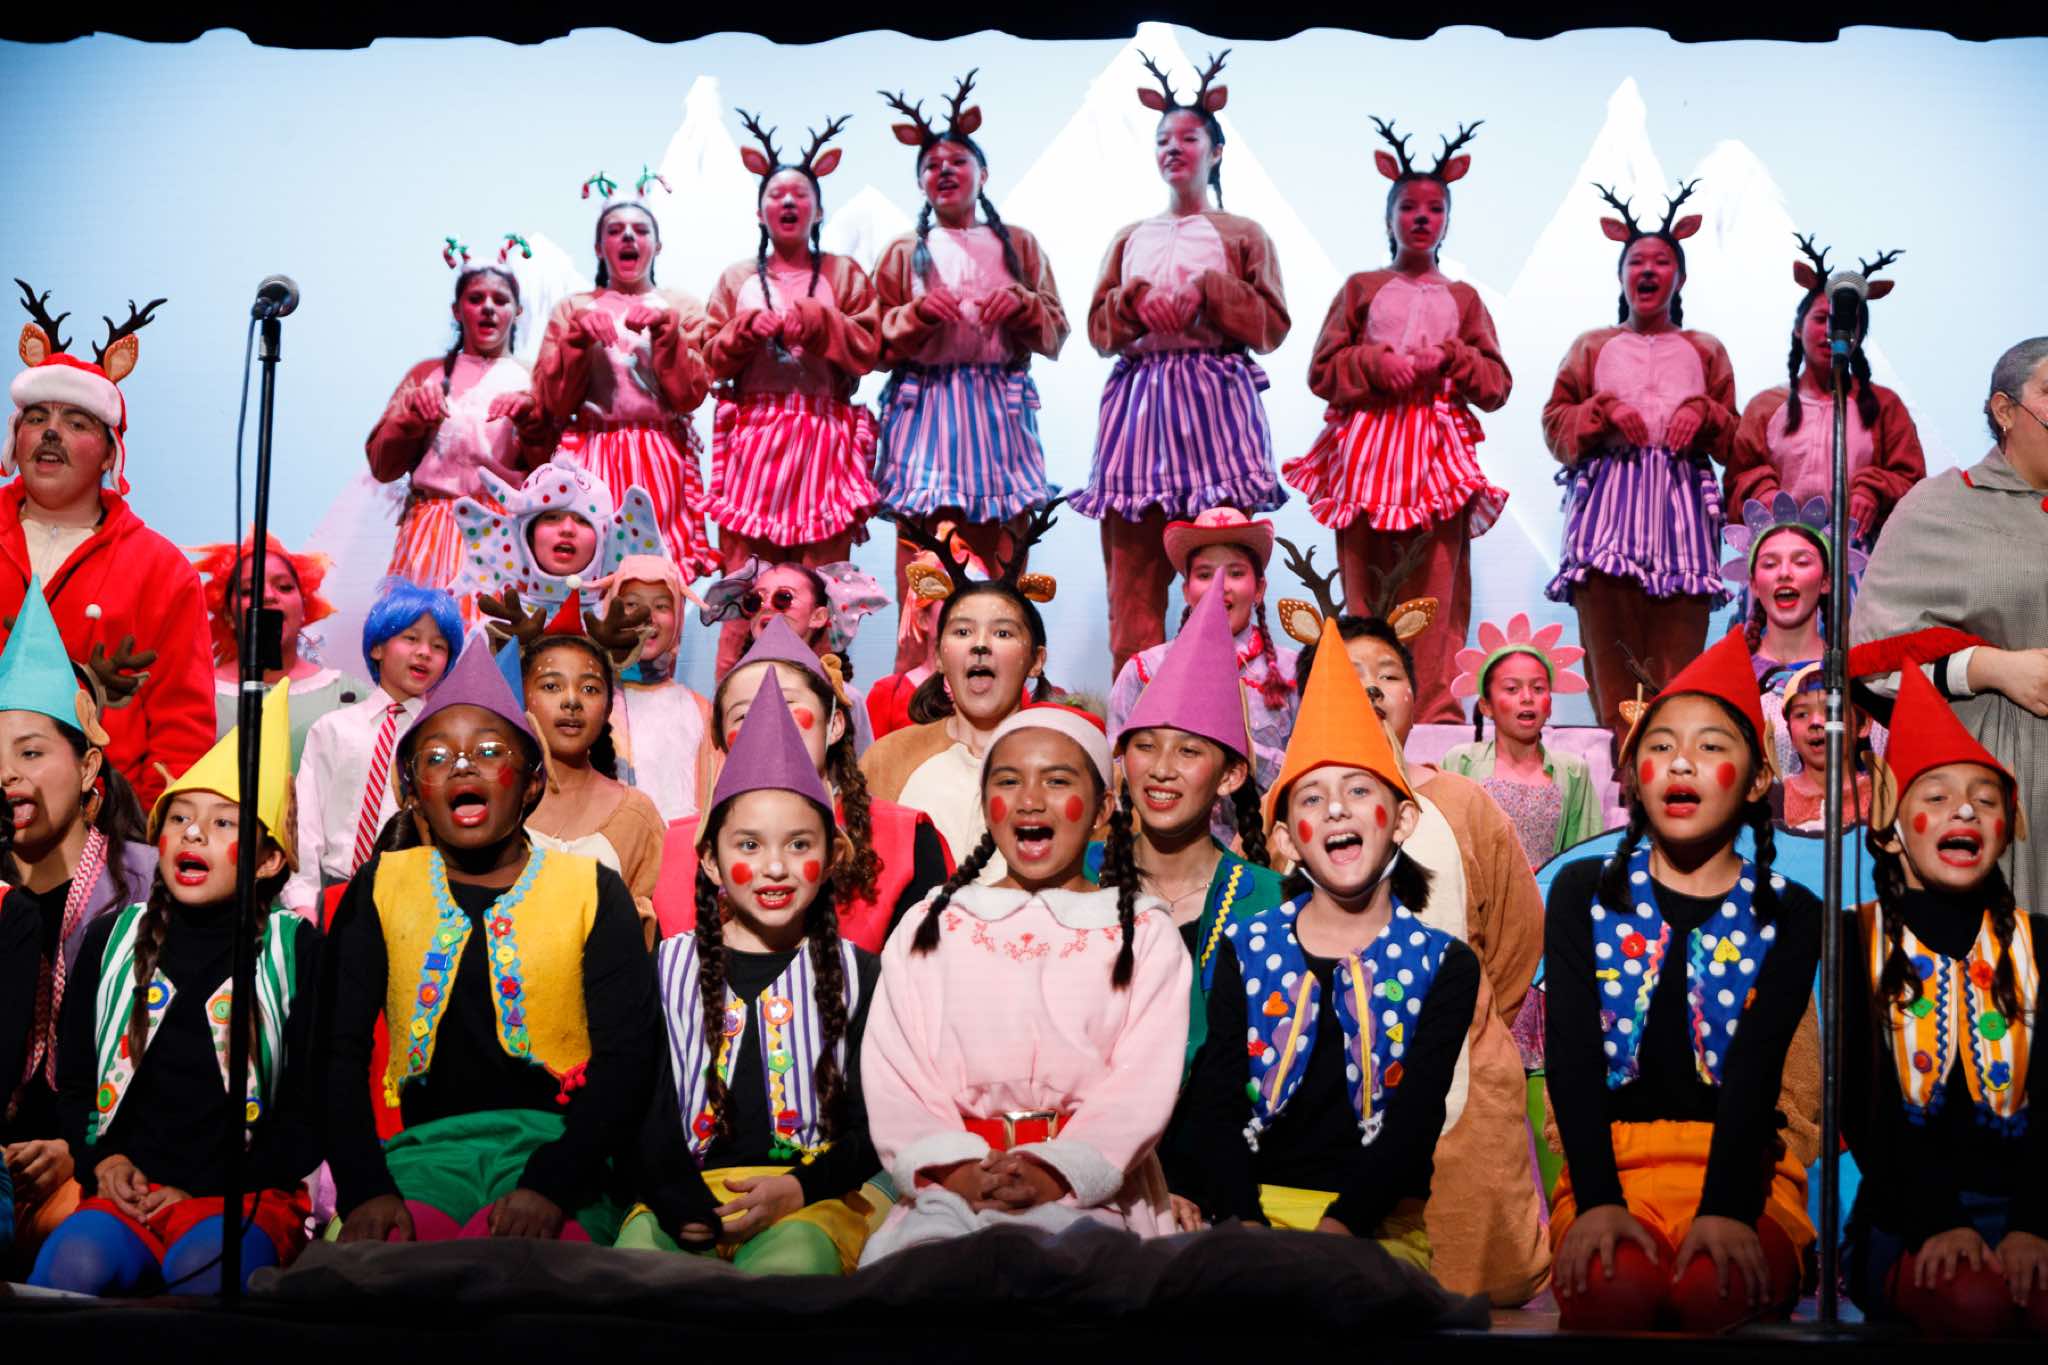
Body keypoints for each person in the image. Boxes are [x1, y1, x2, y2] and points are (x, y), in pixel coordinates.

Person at [320, 637, 658, 1245]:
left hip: (562, 1152)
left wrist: (552, 1184)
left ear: (530, 784)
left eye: (489, 752)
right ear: (412, 790)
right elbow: (333, 1053)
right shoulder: (381, 886)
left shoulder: (592, 889)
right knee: (382, 1262)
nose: (463, 767)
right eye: (437, 757)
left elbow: (629, 1062)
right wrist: (366, 1187)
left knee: (525, 1266)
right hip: (423, 1158)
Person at [1169, 617, 1478, 1265]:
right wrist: (1246, 1226)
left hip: (1376, 1229)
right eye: (1311, 797)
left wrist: (1338, 1232)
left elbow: (1412, 1122)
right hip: (1248, 1219)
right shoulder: (1246, 947)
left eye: (1359, 790)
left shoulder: (1444, 964)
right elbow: (1216, 1101)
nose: (1336, 808)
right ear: (1285, 836)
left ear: (1402, 819)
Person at [1544, 631, 1821, 1331]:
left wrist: (1726, 1208)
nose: (1681, 762)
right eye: (1661, 745)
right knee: (1615, 1290)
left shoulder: (1789, 911)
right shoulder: (1582, 892)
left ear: (1756, 781)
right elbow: (1572, 1057)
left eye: (1710, 746)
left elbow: (1758, 1070)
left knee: (1714, 1292)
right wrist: (1599, 1200)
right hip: (1615, 1168)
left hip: (1744, 1173)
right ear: (1635, 773)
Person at [858, 704, 1188, 1263]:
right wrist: (958, 1171)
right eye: (1009, 781)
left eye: (1057, 781)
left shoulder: (1143, 933)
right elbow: (898, 1072)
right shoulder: (932, 925)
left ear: (1103, 809)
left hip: (1092, 1194)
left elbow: (1142, 1083)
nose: (1030, 800)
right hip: (954, 1190)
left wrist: (1055, 1173)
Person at [1291, 606, 1551, 1304]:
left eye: (1388, 674)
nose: (1371, 688)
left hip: (1460, 1081)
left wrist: (1472, 1027)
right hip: (1321, 1089)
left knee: (1478, 1278)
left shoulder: (1463, 804)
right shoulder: (1284, 813)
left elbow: (1517, 937)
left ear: (1414, 696)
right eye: (1350, 675)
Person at [29, 683, 322, 1295]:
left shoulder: (296, 949)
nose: (193, 834)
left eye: (223, 823)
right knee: (70, 1269)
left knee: (205, 1277)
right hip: (126, 1199)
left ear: (269, 860)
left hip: (243, 1196)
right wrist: (104, 1161)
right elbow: (76, 1085)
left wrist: (207, 1186)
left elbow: (313, 1109)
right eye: (180, 818)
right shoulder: (112, 940)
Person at [617, 676, 887, 1273]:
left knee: (789, 1274)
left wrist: (798, 1189)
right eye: (748, 845)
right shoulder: (662, 968)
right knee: (636, 1277)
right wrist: (674, 1198)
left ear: (832, 859)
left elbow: (878, 1128)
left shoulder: (861, 975)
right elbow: (639, 1109)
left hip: (813, 1201)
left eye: (799, 845)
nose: (775, 867)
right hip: (680, 1198)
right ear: (711, 861)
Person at [1840, 667, 2048, 1336]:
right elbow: (1863, 1112)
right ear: (1891, 824)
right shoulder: (1853, 938)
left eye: (1985, 800)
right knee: (1973, 1301)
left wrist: (2034, 1225)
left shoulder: (2040, 942)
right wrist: (1938, 1221)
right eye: (1939, 795)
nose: (1965, 812)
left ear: (2006, 826)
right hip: (1904, 1217)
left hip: (2026, 1215)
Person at [1283, 116, 1509, 725]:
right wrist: (1374, 363)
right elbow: (1322, 370)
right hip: (1366, 454)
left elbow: (1496, 385)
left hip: (1435, 459)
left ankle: (1433, 712)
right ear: (1389, 220)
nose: (1421, 218)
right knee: (1364, 588)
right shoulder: (1361, 287)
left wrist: (1455, 357)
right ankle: (1362, 707)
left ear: (1447, 221)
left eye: (1434, 209)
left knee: (1436, 588)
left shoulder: (1463, 298)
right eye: (1408, 207)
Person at [1077, 50, 1289, 675]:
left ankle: (1230, 702)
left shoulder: (1242, 233)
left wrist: (1211, 291)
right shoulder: (1130, 236)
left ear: (1216, 151)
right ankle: (1135, 709)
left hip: (1214, 410)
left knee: (1219, 571)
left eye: (1188, 138)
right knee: (1133, 578)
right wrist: (1133, 301)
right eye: (1163, 139)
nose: (1174, 148)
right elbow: (1097, 330)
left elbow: (1272, 325)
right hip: (1140, 412)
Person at [873, 72, 1067, 675]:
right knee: (926, 573)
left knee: (1002, 567)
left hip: (998, 417)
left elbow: (1057, 331)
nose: (945, 171)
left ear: (983, 174)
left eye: (958, 161)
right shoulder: (904, 251)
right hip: (927, 417)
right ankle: (919, 695)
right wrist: (914, 315)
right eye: (932, 165)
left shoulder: (1018, 245)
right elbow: (871, 343)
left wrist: (1024, 306)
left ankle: (1010, 682)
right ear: (920, 182)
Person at [1850, 337, 2048, 913]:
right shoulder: (1940, 507)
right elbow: (1872, 652)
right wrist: (1987, 668)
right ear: (2005, 410)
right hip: (2002, 772)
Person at [1542, 182, 1738, 747]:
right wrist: (1601, 412)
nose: (1648, 270)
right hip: (1608, 519)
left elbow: (1737, 439)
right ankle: (1620, 772)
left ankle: (1671, 765)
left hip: (1683, 525)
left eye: (1661, 261)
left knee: (1677, 669)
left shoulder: (1705, 349)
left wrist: (1704, 413)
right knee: (1614, 660)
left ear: (1679, 278)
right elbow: (1555, 423)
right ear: (1622, 275)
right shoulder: (1592, 346)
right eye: (1637, 261)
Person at [3, 282, 210, 809]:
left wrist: (144, 834)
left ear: (109, 454)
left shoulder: (162, 570)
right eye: (36, 418)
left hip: (106, 831)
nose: (51, 433)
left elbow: (182, 731)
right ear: (15, 440)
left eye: (76, 422)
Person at [0, 580, 155, 1261]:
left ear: (89, 764)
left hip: (109, 1164)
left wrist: (79, 1148)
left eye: (30, 753)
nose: (7, 774)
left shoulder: (150, 885)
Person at [703, 111, 882, 676]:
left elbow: (869, 348)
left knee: (821, 586)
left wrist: (820, 320)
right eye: (776, 195)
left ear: (818, 210)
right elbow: (706, 358)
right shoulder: (737, 278)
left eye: (800, 194)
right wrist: (741, 332)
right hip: (756, 439)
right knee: (746, 582)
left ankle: (822, 701)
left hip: (822, 435)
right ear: (760, 211)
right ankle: (733, 702)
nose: (787, 202)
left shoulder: (843, 274)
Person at [656, 619, 950, 953]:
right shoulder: (681, 848)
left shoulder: (905, 840)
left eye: (787, 705)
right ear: (720, 739)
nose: (769, 721)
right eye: (743, 715)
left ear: (834, 724)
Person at [1094, 585, 1283, 1074]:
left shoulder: (1272, 900)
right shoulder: (1080, 877)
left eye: (1189, 751)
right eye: (1145, 746)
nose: (1161, 769)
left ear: (1230, 776)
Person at [529, 175, 718, 579]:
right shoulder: (574, 308)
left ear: (657, 245)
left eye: (640, 230)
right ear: (599, 248)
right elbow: (553, 402)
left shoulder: (680, 306)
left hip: (659, 451)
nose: (628, 237)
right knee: (593, 568)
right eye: (615, 231)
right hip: (592, 450)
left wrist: (667, 334)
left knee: (658, 570)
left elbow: (690, 394)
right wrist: (577, 340)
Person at [860, 526, 1058, 888]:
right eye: (963, 631)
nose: (980, 645)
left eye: (1003, 633)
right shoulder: (887, 760)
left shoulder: (1068, 763)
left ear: (1035, 660)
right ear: (939, 656)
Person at [365, 250, 549, 604]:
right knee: (425, 628)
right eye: (476, 299)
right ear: (457, 310)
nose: (488, 308)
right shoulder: (427, 374)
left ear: (517, 311)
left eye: (500, 300)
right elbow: (382, 466)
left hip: (501, 532)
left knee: (494, 630)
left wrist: (531, 421)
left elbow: (550, 475)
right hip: (431, 529)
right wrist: (411, 417)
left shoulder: (531, 379)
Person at [1105, 507, 1296, 836]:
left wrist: (1248, 754)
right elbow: (1116, 771)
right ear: (1186, 590)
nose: (1219, 586)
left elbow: (1309, 773)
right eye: (1205, 575)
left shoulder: (1293, 671)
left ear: (1259, 588)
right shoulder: (1144, 670)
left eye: (1235, 573)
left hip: (1267, 848)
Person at [1724, 237, 1923, 542]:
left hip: (1859, 552)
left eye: (1846, 323)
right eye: (1821, 319)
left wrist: (1873, 490)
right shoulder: (1765, 406)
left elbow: (1914, 485)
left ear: (1858, 335)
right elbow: (1736, 479)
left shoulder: (1884, 405)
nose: (1832, 332)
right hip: (1784, 551)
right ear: (1798, 328)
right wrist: (1760, 490)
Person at [284, 577, 462, 917]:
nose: (425, 652)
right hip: (337, 894)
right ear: (377, 648)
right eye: (411, 638)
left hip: (419, 898)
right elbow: (305, 824)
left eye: (439, 646)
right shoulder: (333, 729)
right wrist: (303, 901)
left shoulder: (444, 740)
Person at [517, 602, 666, 942]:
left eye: (589, 689)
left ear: (608, 706)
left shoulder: (637, 816)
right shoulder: (498, 803)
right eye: (551, 686)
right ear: (521, 695)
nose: (572, 701)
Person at [192, 533, 370, 768]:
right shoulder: (199, 696)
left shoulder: (348, 695)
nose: (267, 596)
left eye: (284, 587)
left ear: (305, 607)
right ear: (228, 615)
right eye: (249, 591)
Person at [1442, 614, 1605, 868]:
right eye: (1512, 689)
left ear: (1550, 704)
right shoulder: (1461, 762)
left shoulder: (1572, 771)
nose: (1527, 698)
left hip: (1548, 891)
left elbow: (1584, 856)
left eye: (1538, 689)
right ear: (1486, 705)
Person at [696, 556, 883, 755]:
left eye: (783, 598)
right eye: (755, 601)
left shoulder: (845, 698)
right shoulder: (730, 692)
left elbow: (862, 768)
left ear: (818, 617)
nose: (766, 606)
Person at [453, 456, 667, 624]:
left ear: (605, 538)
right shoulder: (496, 630)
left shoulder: (622, 629)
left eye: (583, 521)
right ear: (527, 535)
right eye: (551, 518)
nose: (567, 529)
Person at [598, 554, 712, 823]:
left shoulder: (699, 710)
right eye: (631, 604)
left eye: (661, 605)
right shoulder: (592, 701)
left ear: (678, 618)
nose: (647, 616)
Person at [1775, 665, 1872, 832]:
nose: (1815, 722)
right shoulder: (1775, 798)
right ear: (1789, 730)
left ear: (1863, 725)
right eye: (1802, 714)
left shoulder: (1881, 796)